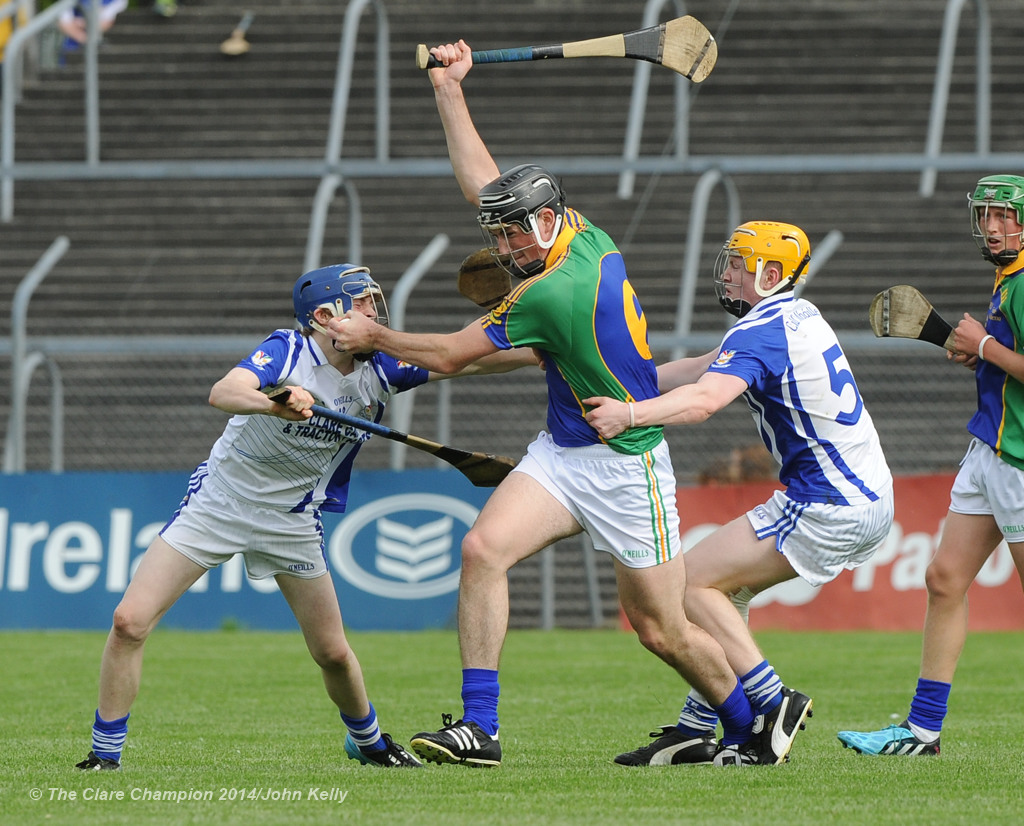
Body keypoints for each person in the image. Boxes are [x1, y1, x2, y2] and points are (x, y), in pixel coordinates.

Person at [329, 39, 778, 770]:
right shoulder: (581, 233)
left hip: (628, 463)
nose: (504, 245)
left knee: (660, 630)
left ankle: (745, 725)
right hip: (566, 452)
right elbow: (486, 185)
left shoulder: (553, 291)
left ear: (546, 222)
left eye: (512, 232)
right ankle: (481, 728)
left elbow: (447, 353)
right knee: (482, 552)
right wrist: (450, 89)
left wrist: (374, 334)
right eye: (498, 232)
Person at [75, 263, 532, 771]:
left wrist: (548, 345)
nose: (374, 313)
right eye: (361, 304)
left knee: (333, 653)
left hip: (293, 520)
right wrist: (275, 403)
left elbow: (471, 361)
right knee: (129, 622)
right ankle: (105, 754)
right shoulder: (288, 350)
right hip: (219, 505)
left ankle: (371, 742)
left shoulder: (381, 368)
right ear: (323, 316)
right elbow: (224, 391)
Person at [585, 220, 895, 766]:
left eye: (737, 264)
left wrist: (628, 414)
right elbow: (702, 368)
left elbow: (705, 400)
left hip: (827, 501)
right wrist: (618, 381)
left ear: (770, 274)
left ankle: (773, 703)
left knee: (688, 584)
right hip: (865, 494)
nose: (726, 274)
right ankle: (697, 725)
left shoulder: (760, 330)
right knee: (725, 592)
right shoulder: (798, 313)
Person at [837, 174, 1024, 756]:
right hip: (988, 452)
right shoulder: (1009, 278)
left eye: (1007, 216)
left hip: (1019, 461)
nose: (993, 227)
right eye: (987, 214)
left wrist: (988, 348)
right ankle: (922, 732)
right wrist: (981, 358)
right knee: (944, 580)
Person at [58, 0, 127, 53]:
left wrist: (81, 23)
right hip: (72, 47)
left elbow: (107, 22)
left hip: (104, 51)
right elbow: (64, 23)